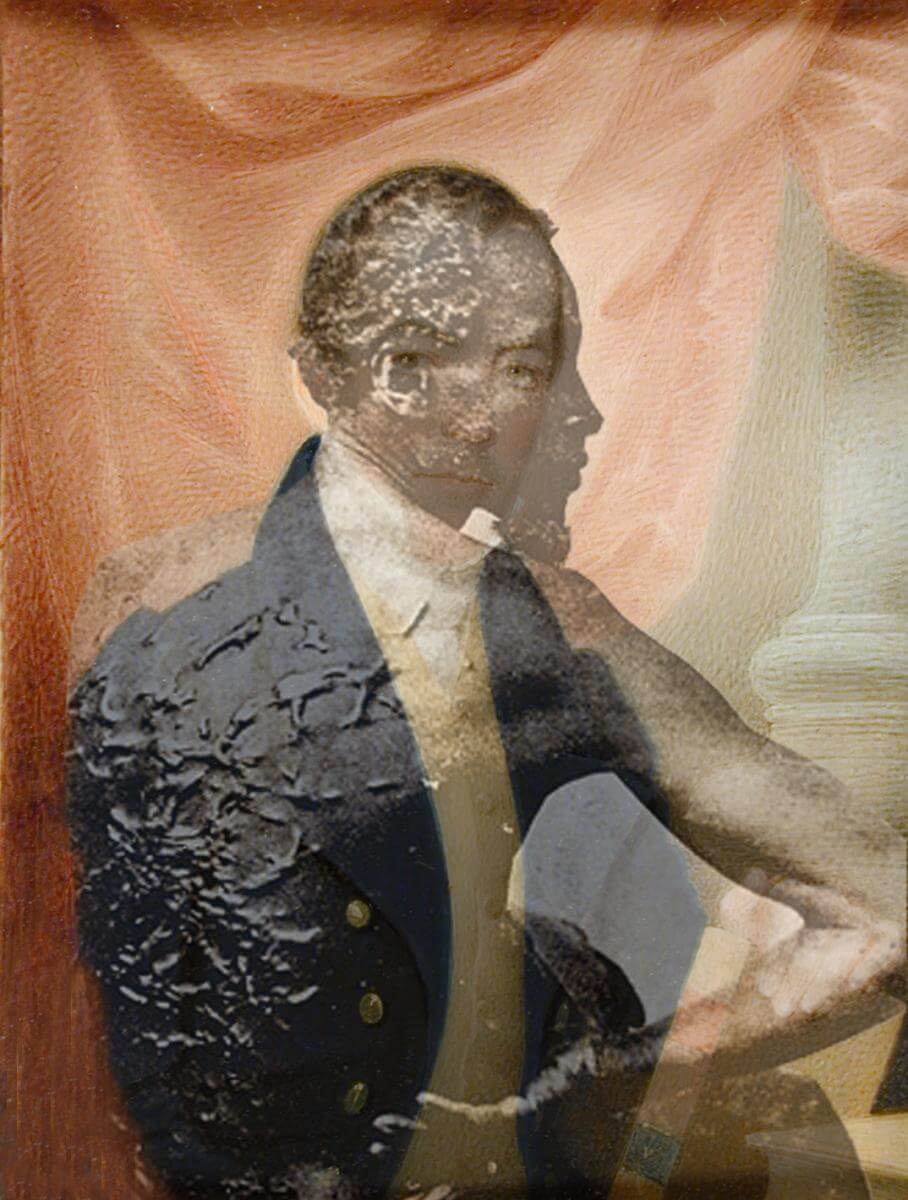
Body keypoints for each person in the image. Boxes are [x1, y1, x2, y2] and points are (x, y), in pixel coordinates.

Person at [66, 166, 903, 1200]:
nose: (579, 413)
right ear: (397, 376)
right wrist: (602, 1084)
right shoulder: (531, 627)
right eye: (529, 368)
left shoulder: (141, 590)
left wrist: (599, 1080)